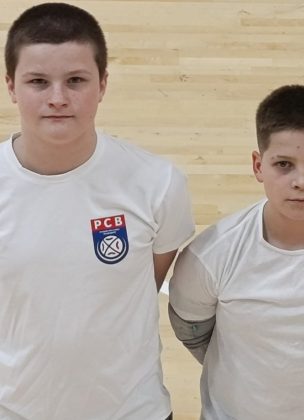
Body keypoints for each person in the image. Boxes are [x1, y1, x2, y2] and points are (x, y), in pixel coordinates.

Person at [0, 3, 195, 419]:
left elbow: (148, 279)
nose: (58, 99)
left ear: (103, 83)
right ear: (11, 86)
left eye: (75, 80)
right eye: (38, 82)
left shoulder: (157, 183)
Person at [168, 84, 304, 420]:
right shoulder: (211, 255)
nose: (301, 181)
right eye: (284, 164)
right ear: (258, 165)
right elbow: (192, 331)